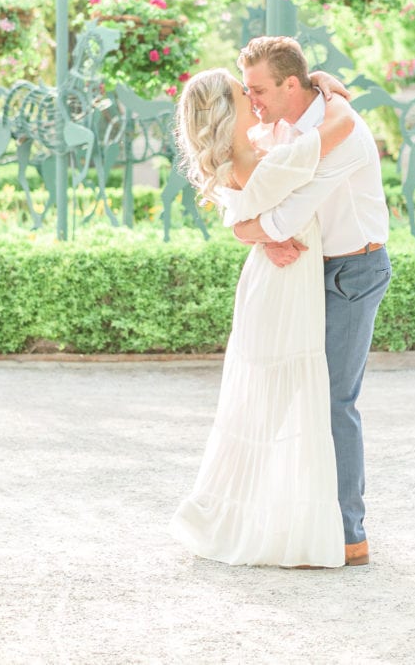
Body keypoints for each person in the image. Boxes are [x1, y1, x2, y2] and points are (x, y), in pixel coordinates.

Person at [169, 66, 357, 568]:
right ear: (226, 111)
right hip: (282, 290)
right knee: (283, 404)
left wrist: (259, 233)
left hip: (274, 281)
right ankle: (249, 521)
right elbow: (341, 127)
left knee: (263, 408)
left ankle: (223, 511)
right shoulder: (270, 166)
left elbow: (239, 223)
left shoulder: (242, 161)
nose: (252, 98)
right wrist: (328, 87)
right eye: (241, 92)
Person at [234, 37, 391, 568]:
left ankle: (351, 536)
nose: (252, 99)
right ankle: (287, 520)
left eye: (259, 89)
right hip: (305, 272)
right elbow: (247, 185)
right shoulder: (286, 127)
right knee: (286, 393)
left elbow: (286, 212)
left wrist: (250, 231)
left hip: (352, 270)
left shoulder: (341, 135)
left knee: (332, 402)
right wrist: (249, 224)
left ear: (292, 84)